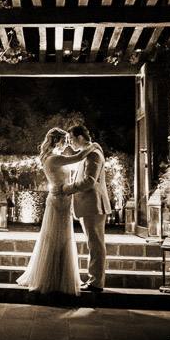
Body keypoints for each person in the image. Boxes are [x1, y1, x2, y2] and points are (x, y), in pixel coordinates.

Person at [16, 127, 97, 296]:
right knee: (56, 238)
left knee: (62, 237)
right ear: (57, 141)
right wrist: (94, 145)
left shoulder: (52, 157)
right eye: (64, 141)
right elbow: (79, 157)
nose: (67, 144)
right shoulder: (54, 158)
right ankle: (52, 278)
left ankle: (59, 276)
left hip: (63, 199)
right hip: (59, 200)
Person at [62, 125, 111, 292]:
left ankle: (96, 282)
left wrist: (67, 188)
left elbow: (90, 180)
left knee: (95, 244)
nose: (70, 143)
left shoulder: (93, 154)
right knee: (94, 243)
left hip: (94, 205)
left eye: (72, 139)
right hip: (89, 205)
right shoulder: (88, 153)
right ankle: (95, 279)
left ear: (81, 137)